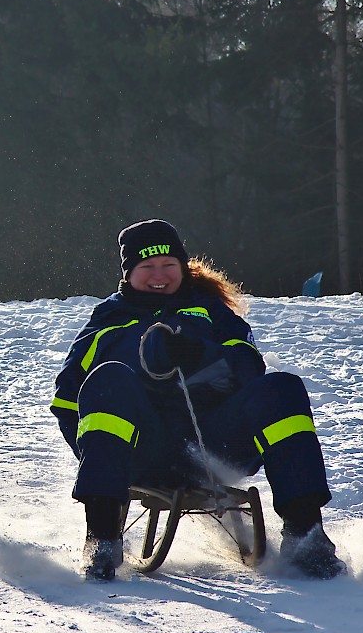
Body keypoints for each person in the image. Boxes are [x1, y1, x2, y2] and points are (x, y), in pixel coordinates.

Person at [51, 219, 345, 582]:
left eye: (168, 265)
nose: (159, 275)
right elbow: (67, 402)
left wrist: (200, 355)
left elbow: (247, 366)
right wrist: (102, 460)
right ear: (129, 274)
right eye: (147, 267)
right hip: (142, 452)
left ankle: (306, 534)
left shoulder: (210, 311)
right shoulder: (110, 318)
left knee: (282, 388)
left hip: (215, 446)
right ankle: (102, 537)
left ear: (182, 266)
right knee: (108, 378)